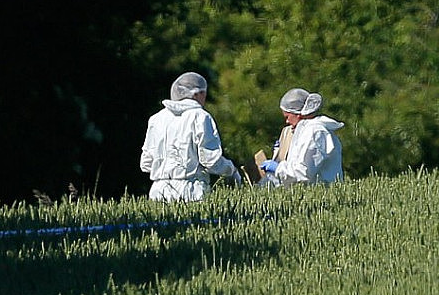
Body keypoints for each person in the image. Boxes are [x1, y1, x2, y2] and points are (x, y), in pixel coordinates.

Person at [140, 72, 241, 202]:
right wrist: (230, 170)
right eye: (204, 93)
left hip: (158, 192)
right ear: (195, 94)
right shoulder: (200, 117)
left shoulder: (156, 119)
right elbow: (210, 161)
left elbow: (146, 163)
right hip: (192, 191)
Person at [260, 88, 344, 186]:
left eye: (287, 117)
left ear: (298, 114)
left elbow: (303, 172)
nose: (287, 122)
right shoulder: (306, 130)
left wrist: (278, 168)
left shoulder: (315, 132)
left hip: (320, 195)